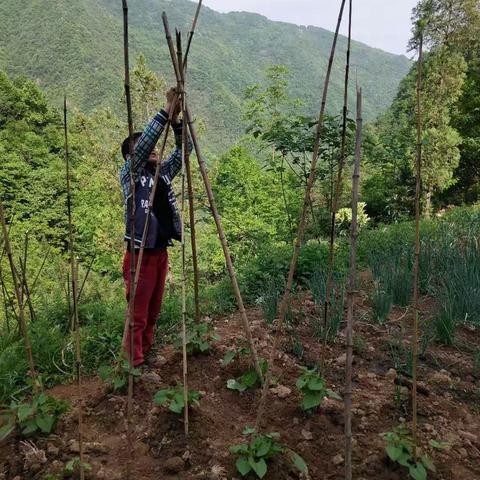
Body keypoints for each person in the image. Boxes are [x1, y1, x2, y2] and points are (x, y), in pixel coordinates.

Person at [119, 87, 191, 368]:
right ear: (131, 156)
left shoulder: (161, 175)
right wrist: (165, 109)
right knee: (137, 313)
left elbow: (183, 153)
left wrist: (176, 124)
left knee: (153, 309)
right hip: (139, 254)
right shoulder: (131, 174)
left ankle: (144, 352)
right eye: (141, 146)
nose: (149, 149)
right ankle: (134, 363)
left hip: (159, 251)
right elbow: (148, 141)